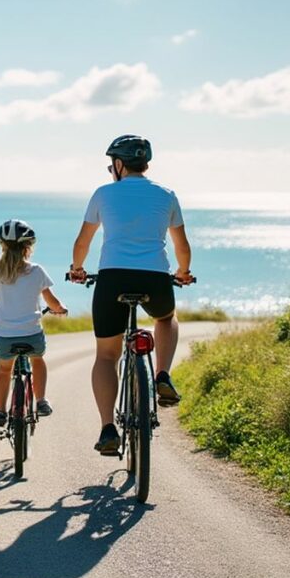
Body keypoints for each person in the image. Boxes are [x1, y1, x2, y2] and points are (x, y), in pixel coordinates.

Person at [68, 134, 193, 455]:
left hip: (112, 279)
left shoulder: (103, 194)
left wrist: (77, 268)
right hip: (155, 279)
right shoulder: (166, 195)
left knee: (107, 356)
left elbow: (83, 241)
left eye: (112, 165)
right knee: (166, 318)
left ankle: (108, 428)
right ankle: (162, 374)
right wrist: (182, 272)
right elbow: (181, 246)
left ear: (119, 165)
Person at [0, 219, 67, 427]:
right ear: (28, 248)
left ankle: (0, 410)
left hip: (5, 338)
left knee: (4, 371)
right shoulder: (36, 271)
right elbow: (52, 301)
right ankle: (41, 400)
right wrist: (59, 309)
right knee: (38, 360)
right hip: (32, 335)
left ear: (3, 247)